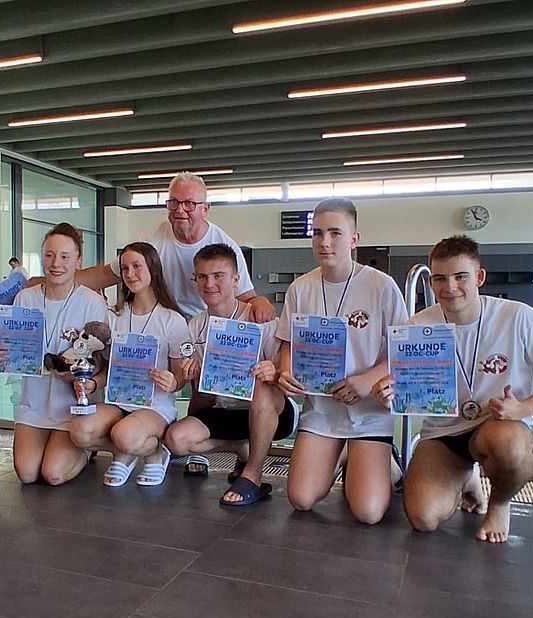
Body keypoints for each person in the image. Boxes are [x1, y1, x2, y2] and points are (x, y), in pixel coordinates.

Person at [372, 235, 533, 543]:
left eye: (460, 277)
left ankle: (499, 503)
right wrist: (387, 394)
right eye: (440, 279)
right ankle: (468, 477)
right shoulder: (416, 327)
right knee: (423, 517)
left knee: (510, 448)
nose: (450, 287)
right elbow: (403, 386)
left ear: (479, 277)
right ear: (431, 282)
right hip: (444, 434)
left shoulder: (518, 317)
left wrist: (523, 408)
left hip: (497, 427)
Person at [276, 198, 408, 525]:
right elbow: (288, 344)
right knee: (301, 498)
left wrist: (367, 380)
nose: (325, 242)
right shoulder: (300, 288)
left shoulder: (381, 287)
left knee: (367, 512)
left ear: (354, 239)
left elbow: (403, 350)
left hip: (369, 410)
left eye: (335, 233)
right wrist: (286, 370)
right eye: (318, 233)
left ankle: (385, 463)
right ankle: (347, 453)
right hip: (322, 411)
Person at [165, 244, 297, 506]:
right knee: (176, 440)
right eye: (202, 276)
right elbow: (200, 390)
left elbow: (285, 373)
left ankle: (253, 476)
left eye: (218, 276)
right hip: (226, 410)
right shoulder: (195, 326)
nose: (209, 284)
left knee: (261, 388)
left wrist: (274, 371)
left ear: (236, 280)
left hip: (272, 412)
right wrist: (192, 374)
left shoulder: (260, 318)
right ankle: (242, 448)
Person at [77, 172, 275, 322]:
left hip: (206, 328)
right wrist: (63, 280)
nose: (180, 210)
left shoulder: (224, 246)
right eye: (174, 202)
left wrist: (261, 302)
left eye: (189, 203)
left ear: (205, 209)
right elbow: (106, 274)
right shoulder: (149, 240)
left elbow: (246, 296)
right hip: (163, 324)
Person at [71, 242, 191, 487]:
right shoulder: (113, 316)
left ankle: (154, 452)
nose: (130, 274)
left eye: (137, 266)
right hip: (118, 402)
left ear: (153, 268)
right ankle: (125, 452)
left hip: (155, 407)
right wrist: (92, 383)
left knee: (124, 434)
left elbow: (180, 376)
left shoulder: (172, 320)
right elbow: (109, 369)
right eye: (125, 268)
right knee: (80, 432)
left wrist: (173, 382)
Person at [0, 223, 109, 486]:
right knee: (27, 473)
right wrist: (1, 353)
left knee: (53, 473)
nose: (56, 263)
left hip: (71, 405)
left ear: (78, 261)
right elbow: (13, 350)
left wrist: (79, 374)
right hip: (34, 403)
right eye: (49, 255)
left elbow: (99, 360)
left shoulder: (92, 302)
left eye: (64, 256)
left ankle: (87, 450)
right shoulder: (25, 299)